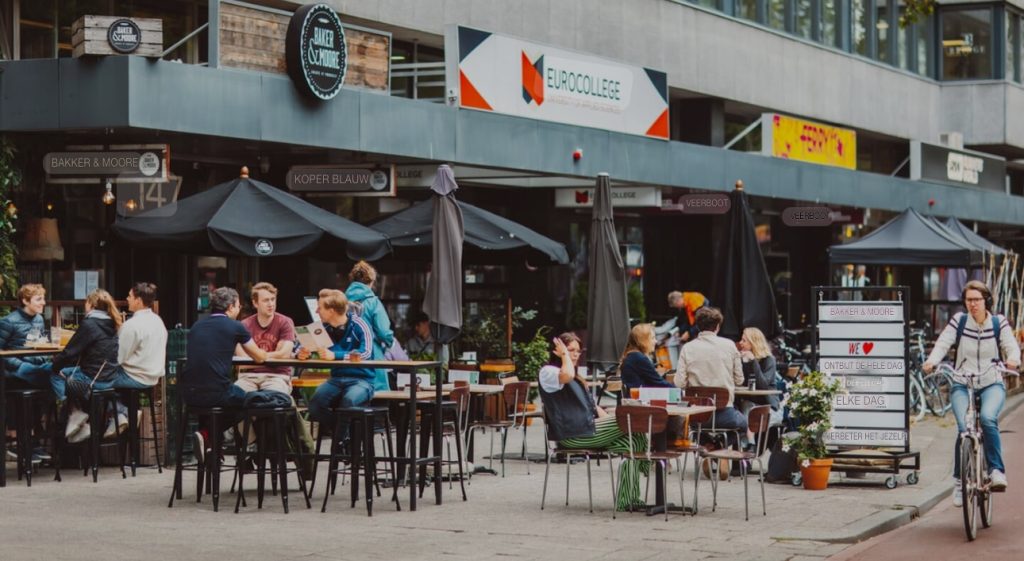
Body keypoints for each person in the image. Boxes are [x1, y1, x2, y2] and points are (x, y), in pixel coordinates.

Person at [923, 280, 1020, 503]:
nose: (973, 304)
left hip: (991, 382)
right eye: (969, 300)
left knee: (987, 418)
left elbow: (1010, 346)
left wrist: (1013, 359)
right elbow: (943, 343)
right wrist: (932, 361)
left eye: (977, 300)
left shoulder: (998, 323)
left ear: (986, 300)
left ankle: (996, 470)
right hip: (962, 382)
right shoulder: (960, 321)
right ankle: (959, 482)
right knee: (963, 429)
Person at [539, 332, 647, 511]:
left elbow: (592, 408)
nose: (575, 354)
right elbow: (566, 376)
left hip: (588, 430)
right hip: (572, 434)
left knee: (633, 441)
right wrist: (564, 355)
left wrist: (613, 421)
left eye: (577, 351)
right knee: (631, 418)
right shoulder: (548, 372)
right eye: (570, 350)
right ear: (557, 351)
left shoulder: (577, 376)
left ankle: (628, 501)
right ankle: (649, 461)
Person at [181, 287, 267, 462]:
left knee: (212, 408)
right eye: (238, 305)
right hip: (218, 392)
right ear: (230, 306)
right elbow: (259, 356)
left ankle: (211, 444)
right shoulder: (235, 326)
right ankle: (215, 437)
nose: (239, 309)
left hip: (189, 394)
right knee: (251, 402)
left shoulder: (197, 326)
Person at [52, 289, 122, 443]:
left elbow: (69, 352)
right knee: (66, 372)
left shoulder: (90, 324)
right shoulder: (113, 323)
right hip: (109, 379)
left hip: (91, 380)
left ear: (91, 304)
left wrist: (53, 364)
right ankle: (88, 416)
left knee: (54, 373)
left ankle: (74, 412)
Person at [303, 289, 375, 435]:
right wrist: (301, 353)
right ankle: (343, 436)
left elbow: (366, 353)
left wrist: (335, 355)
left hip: (361, 380)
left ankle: (341, 444)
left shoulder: (360, 324)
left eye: (320, 307)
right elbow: (299, 346)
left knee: (348, 401)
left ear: (331, 311)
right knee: (315, 405)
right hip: (335, 379)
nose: (316, 311)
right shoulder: (322, 327)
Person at [673, 307, 748, 436]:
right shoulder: (729, 345)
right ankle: (719, 447)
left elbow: (679, 383)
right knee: (744, 425)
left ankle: (708, 446)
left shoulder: (687, 348)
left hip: (697, 416)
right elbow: (739, 380)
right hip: (726, 414)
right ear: (717, 327)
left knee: (697, 430)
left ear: (697, 326)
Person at [0, 284, 62, 399]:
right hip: (16, 369)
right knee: (56, 374)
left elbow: (39, 344)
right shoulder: (9, 321)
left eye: (43, 299)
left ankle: (57, 410)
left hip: (37, 365)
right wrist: (19, 364)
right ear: (25, 301)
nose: (43, 303)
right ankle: (69, 409)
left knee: (64, 370)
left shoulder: (39, 319)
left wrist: (44, 357)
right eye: (39, 299)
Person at [233, 282, 296, 396]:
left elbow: (284, 355)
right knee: (235, 396)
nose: (271, 304)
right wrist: (273, 356)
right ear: (255, 303)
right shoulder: (244, 325)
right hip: (247, 377)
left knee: (271, 398)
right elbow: (242, 362)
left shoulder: (285, 322)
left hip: (277, 377)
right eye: (266, 300)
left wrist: (256, 356)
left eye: (273, 299)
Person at [345, 261, 394, 392]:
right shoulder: (373, 302)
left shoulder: (342, 302)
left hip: (346, 356)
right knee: (377, 398)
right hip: (372, 356)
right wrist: (390, 342)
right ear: (371, 281)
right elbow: (384, 332)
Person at [736, 327, 783, 428]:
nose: (740, 343)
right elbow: (739, 382)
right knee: (745, 407)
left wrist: (753, 361)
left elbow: (763, 385)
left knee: (748, 416)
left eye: (744, 340)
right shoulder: (742, 360)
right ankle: (749, 443)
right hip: (749, 404)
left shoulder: (769, 360)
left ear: (753, 343)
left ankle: (749, 443)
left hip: (769, 408)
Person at [619, 323, 673, 393]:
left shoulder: (632, 355)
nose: (655, 341)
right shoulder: (639, 358)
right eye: (653, 338)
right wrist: (679, 392)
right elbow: (658, 382)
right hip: (639, 401)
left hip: (634, 398)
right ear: (643, 340)